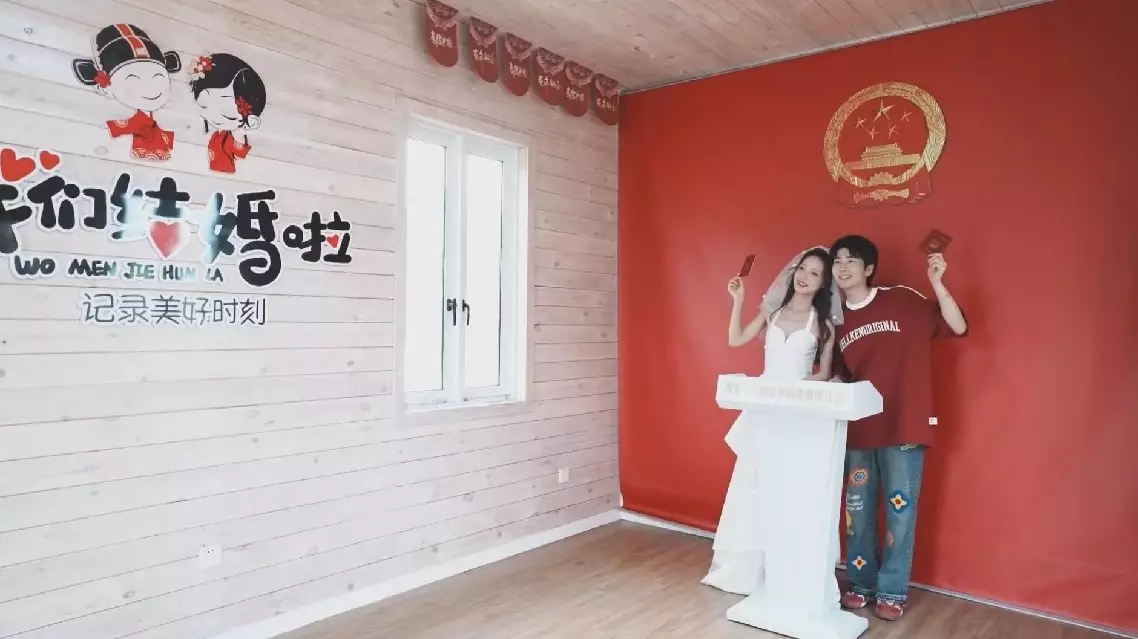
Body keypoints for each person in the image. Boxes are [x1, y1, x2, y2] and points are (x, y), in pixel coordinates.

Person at [828, 235, 967, 621]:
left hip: (905, 423)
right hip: (859, 429)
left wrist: (937, 283)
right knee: (857, 512)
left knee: (899, 511)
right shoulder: (836, 320)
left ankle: (892, 591)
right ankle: (860, 584)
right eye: (837, 261)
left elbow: (956, 326)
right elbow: (838, 374)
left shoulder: (902, 299)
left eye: (852, 260)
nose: (843, 267)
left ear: (869, 268)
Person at [703, 247, 843, 595]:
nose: (805, 276)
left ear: (823, 284)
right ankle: (745, 569)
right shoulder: (773, 313)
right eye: (802, 269)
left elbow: (824, 373)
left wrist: (798, 390)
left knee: (789, 490)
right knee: (753, 485)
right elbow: (735, 340)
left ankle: (786, 569)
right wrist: (738, 300)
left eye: (815, 274)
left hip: (795, 413)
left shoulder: (823, 324)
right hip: (763, 410)